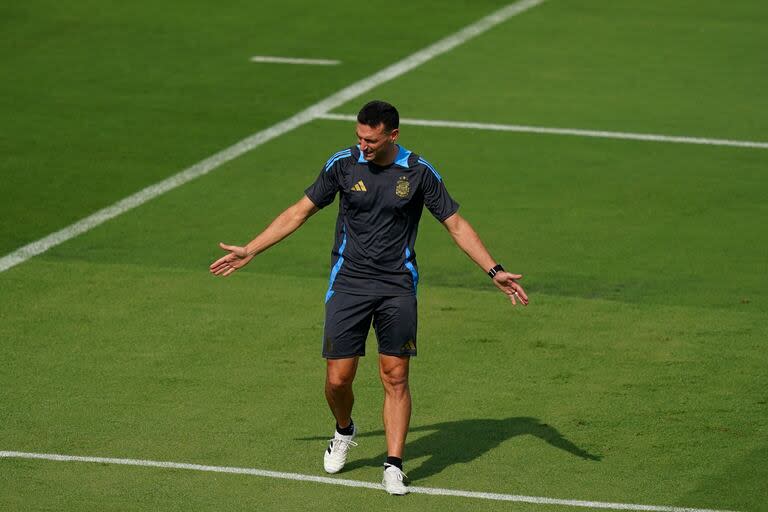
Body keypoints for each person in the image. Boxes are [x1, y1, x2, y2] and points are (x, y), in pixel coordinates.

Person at [209, 100, 528, 495]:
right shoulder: (343, 164)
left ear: (393, 135)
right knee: (338, 379)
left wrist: (494, 271)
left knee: (395, 375)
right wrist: (252, 249)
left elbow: (456, 224)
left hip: (397, 286)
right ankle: (344, 430)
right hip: (349, 284)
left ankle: (393, 464)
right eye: (359, 137)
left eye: (371, 139)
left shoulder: (418, 173)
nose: (363, 145)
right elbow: (299, 212)